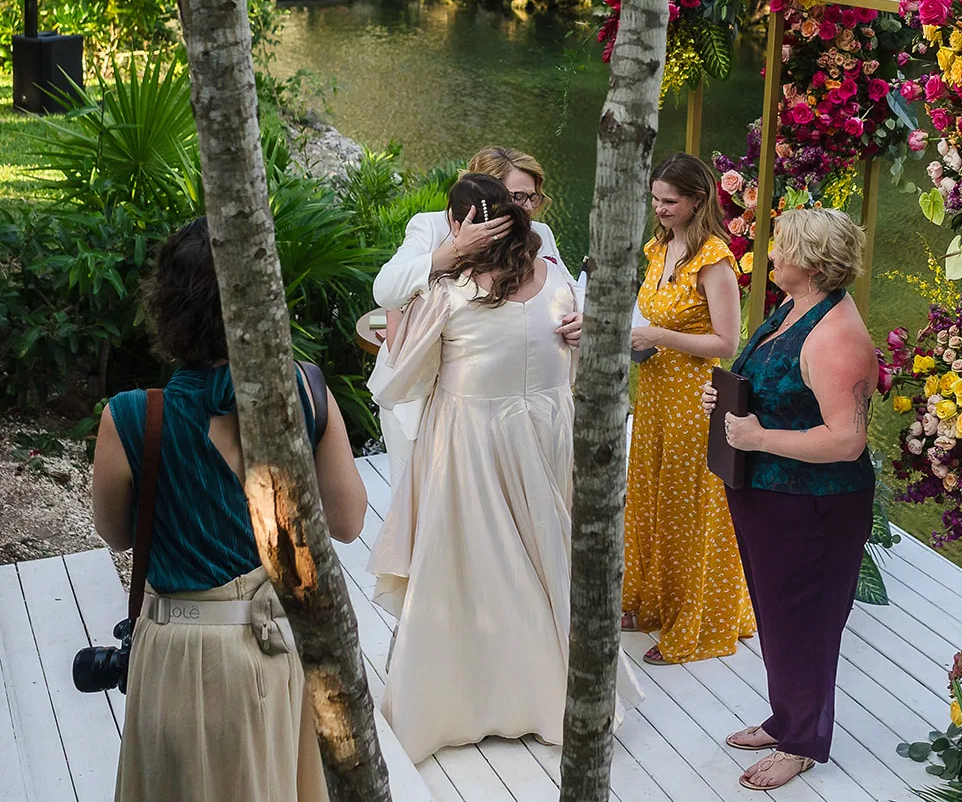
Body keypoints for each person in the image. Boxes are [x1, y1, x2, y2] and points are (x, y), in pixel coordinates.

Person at [92, 218, 369, 802]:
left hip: (178, 651)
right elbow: (348, 522)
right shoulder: (305, 390)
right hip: (276, 651)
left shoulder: (130, 418)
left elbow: (116, 534)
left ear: (166, 305)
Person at [367, 173, 640, 761]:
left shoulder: (451, 290)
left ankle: (458, 700)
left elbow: (403, 373)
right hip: (545, 428)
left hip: (470, 435)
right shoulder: (554, 279)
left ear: (463, 225)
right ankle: (553, 695)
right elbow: (570, 339)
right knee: (545, 553)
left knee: (465, 562)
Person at [701, 207, 879, 792]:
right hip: (768, 494)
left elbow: (848, 440)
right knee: (778, 615)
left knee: (805, 621)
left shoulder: (839, 336)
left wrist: (755, 436)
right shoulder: (792, 308)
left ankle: (803, 742)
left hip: (814, 506)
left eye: (780, 246)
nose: (770, 253)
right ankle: (786, 719)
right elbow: (778, 387)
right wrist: (728, 402)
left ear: (810, 260)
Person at [621, 152, 755, 665]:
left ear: (698, 200)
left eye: (670, 201)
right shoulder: (659, 247)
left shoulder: (714, 260)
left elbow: (727, 342)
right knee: (652, 498)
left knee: (688, 507)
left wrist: (658, 334)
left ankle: (696, 624)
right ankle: (652, 600)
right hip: (654, 390)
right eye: (655, 199)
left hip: (694, 399)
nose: (659, 209)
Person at [370, 146, 576, 476]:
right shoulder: (432, 227)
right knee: (417, 506)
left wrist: (580, 319)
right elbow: (385, 289)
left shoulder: (539, 235)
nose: (525, 208)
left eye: (531, 198)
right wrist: (455, 250)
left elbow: (569, 290)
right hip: (421, 395)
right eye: (517, 197)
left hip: (496, 405)